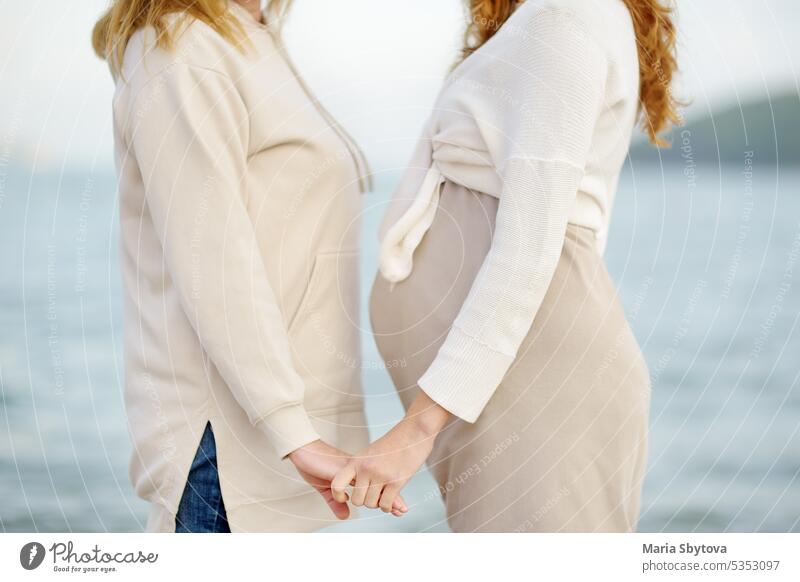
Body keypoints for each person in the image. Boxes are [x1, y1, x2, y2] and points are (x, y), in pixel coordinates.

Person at [333, 0, 680, 532]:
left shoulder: (568, 14)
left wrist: (417, 428)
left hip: (530, 381)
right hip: (507, 384)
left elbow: (532, 241)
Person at [93, 0, 405, 532]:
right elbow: (213, 259)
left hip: (277, 449)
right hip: (229, 453)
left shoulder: (247, 36)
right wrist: (294, 433)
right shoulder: (182, 47)